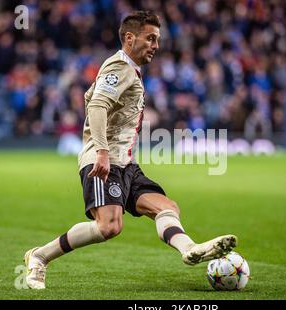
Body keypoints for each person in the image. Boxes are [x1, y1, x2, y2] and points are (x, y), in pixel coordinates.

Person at [23, 11, 237, 290]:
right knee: (109, 226)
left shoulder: (130, 71)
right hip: (103, 160)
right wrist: (101, 151)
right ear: (129, 38)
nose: (155, 46)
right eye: (150, 38)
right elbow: (97, 106)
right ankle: (39, 256)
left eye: (157, 40)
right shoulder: (118, 68)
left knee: (166, 207)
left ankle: (189, 249)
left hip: (125, 163)